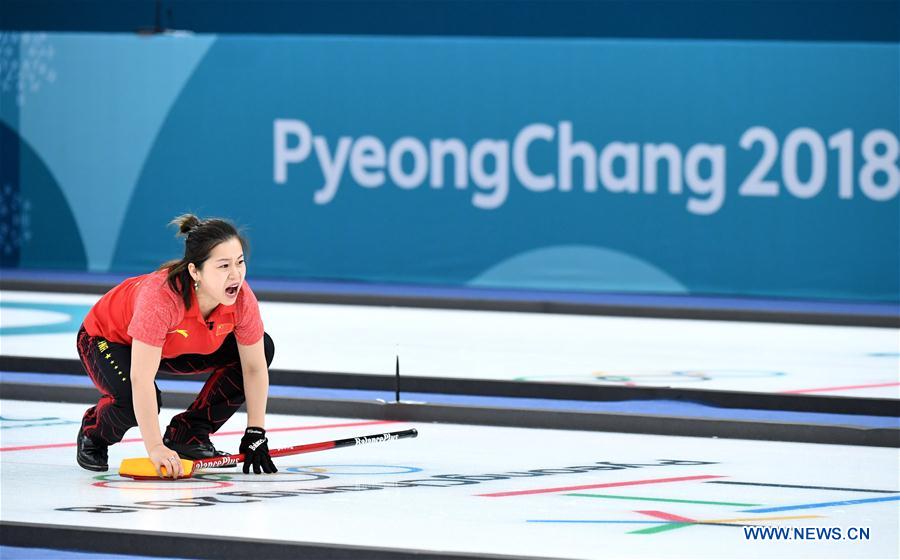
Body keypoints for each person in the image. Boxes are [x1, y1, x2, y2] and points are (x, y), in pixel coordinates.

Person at [75, 214, 277, 477]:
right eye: (223, 266)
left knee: (263, 347)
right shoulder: (161, 298)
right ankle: (94, 431)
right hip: (107, 340)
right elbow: (141, 378)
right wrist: (156, 447)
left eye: (240, 263)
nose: (236, 275)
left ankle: (188, 433)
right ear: (195, 271)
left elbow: (253, 368)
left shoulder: (241, 298)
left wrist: (256, 432)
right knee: (130, 402)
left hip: (170, 346)